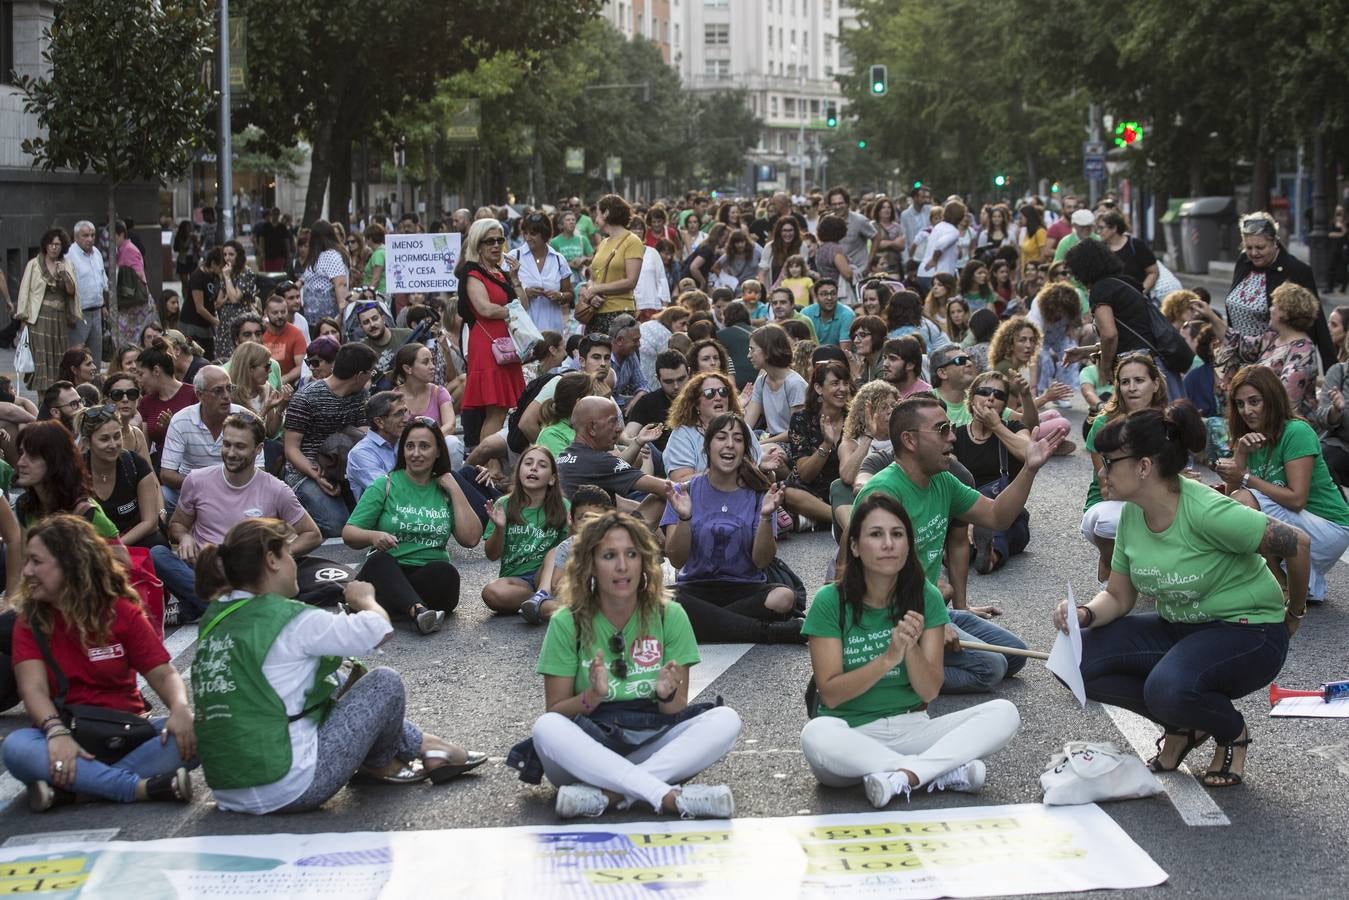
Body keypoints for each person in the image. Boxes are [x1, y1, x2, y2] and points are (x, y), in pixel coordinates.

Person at [1059, 403, 1307, 788]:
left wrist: (1295, 613)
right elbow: (1119, 596)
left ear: (1143, 466)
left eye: (1109, 461)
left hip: (1249, 632)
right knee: (1075, 660)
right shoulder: (1131, 512)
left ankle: (1230, 732)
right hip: (1182, 626)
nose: (1102, 471)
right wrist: (1084, 614)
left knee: (1167, 687)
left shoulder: (1207, 510)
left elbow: (1299, 543)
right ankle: (1184, 725)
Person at [191, 518, 485, 813]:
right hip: (287, 784)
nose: (295, 564)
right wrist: (366, 599)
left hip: (228, 789)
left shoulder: (215, 618)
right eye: (290, 555)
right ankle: (379, 763)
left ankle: (427, 745)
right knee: (384, 683)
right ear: (272, 560)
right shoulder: (289, 618)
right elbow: (377, 630)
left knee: (334, 677)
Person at [800, 492, 1019, 807]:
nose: (888, 543)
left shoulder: (926, 596)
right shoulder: (829, 601)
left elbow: (929, 690)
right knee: (815, 733)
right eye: (876, 534)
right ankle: (933, 772)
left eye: (897, 534)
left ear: (907, 545)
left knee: (1004, 712)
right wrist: (889, 657)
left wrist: (910, 650)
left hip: (913, 730)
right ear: (855, 547)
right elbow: (831, 694)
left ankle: (906, 776)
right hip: (849, 738)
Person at [528, 510, 742, 819]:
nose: (622, 566)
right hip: (587, 751)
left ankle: (610, 797)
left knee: (726, 720)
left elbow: (675, 709)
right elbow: (556, 711)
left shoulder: (670, 615)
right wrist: (593, 696)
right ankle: (667, 797)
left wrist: (667, 695)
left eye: (631, 554)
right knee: (545, 728)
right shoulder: (567, 621)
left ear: (644, 561)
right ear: (590, 565)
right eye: (609, 556)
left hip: (651, 738)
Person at [853, 397, 1060, 693]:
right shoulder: (882, 495)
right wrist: (929, 625)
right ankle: (883, 672)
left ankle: (936, 636)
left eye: (950, 427)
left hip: (925, 605)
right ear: (909, 440)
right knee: (991, 668)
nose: (952, 436)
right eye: (942, 429)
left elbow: (997, 516)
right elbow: (873, 582)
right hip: (887, 618)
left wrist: (1029, 468)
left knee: (1015, 657)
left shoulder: (942, 481)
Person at [3, 515, 196, 812]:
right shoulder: (30, 620)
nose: (26, 571)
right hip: (63, 734)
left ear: (70, 565)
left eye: (36, 561)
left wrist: (180, 708)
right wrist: (57, 733)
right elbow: (34, 691)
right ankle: (137, 787)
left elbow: (163, 674)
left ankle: (77, 790)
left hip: (128, 732)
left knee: (205, 728)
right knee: (17, 748)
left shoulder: (122, 612)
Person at [158, 412, 321, 621]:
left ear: (258, 449)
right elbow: (178, 525)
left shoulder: (276, 489)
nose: (231, 453)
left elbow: (312, 534)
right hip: (204, 571)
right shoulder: (196, 480)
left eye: (240, 446)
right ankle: (226, 606)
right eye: (227, 444)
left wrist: (275, 555)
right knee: (157, 554)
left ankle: (205, 606)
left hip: (247, 578)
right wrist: (185, 537)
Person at [1216, 366, 1349, 605]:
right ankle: (1287, 582)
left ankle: (1280, 585)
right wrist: (1241, 456)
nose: (1247, 410)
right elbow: (1230, 505)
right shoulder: (1248, 440)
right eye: (1240, 404)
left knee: (1247, 501)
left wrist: (1245, 477)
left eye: (1254, 401)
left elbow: (1296, 500)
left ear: (1272, 399)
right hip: (1299, 526)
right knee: (1237, 507)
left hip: (1330, 527)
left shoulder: (1296, 431)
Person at [662, 414, 800, 643]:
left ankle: (703, 625)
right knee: (659, 601)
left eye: (737, 439)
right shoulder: (683, 492)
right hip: (696, 589)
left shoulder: (759, 493)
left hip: (745, 587)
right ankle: (766, 632)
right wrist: (684, 518)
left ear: (745, 449)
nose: (729, 444)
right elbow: (676, 560)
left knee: (783, 597)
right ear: (707, 447)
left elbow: (762, 561)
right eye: (721, 437)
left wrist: (766, 516)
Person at [343, 418, 482, 633]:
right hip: (388, 572)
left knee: (447, 573)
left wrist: (454, 489)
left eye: (424, 446)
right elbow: (349, 533)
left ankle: (383, 605)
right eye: (410, 446)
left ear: (438, 452)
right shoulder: (385, 484)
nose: (416, 453)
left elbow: (471, 539)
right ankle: (418, 612)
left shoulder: (445, 487)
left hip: (428, 576)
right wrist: (373, 536)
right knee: (379, 561)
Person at [1080, 352, 1171, 581]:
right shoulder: (1104, 423)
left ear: (1155, 384)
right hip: (1111, 504)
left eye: (1139, 381)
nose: (1132, 388)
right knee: (1110, 522)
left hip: (1154, 499)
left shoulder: (1169, 422)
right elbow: (1107, 489)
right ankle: (1110, 559)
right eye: (1125, 382)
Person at [1065, 238, 1186, 400]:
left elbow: (1110, 335)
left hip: (1139, 367)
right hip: (1158, 362)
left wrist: (1105, 368)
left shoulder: (1100, 290)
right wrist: (1086, 351)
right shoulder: (1125, 282)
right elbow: (1131, 333)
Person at [284, 342, 376, 537]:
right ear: (359, 375)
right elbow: (291, 449)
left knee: (367, 521)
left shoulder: (361, 396)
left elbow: (364, 434)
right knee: (337, 526)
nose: (371, 377)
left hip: (345, 469)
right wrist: (317, 475)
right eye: (370, 372)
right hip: (306, 472)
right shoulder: (306, 398)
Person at [1225, 211, 1335, 372]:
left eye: (1260, 247)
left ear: (1274, 242)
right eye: (1249, 247)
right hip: (1238, 359)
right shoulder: (1244, 261)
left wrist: (1332, 374)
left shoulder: (1296, 270)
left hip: (1274, 364)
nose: (1254, 253)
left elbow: (1317, 324)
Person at [458, 218, 527, 445]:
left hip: (504, 345)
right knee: (496, 410)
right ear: (478, 244)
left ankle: (491, 463)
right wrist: (512, 311)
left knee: (503, 407)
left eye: (500, 240)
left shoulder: (500, 272)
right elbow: (485, 309)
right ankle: (486, 463)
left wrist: (515, 279)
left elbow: (524, 307)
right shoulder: (472, 272)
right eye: (490, 241)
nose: (496, 246)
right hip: (487, 345)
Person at [956, 372, 1033, 574]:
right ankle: (963, 547)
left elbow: (1029, 453)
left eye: (998, 395)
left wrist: (996, 426)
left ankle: (990, 555)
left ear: (1004, 405)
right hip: (966, 509)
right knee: (957, 525)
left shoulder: (1013, 427)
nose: (991, 398)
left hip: (1005, 510)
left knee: (1004, 527)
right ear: (972, 397)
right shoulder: (956, 435)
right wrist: (971, 519)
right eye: (984, 392)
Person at [482, 447, 571, 616]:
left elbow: (568, 550)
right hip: (517, 581)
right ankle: (540, 602)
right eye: (528, 463)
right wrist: (500, 528)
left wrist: (572, 529)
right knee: (491, 592)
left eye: (542, 465)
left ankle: (541, 599)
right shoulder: (504, 504)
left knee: (556, 551)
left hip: (547, 575)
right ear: (519, 472)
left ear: (552, 479)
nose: (534, 468)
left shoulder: (563, 506)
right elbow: (491, 555)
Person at [159, 365, 261, 498]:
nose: (226, 396)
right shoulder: (181, 420)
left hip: (236, 488)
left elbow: (259, 469)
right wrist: (205, 485)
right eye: (218, 391)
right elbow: (167, 474)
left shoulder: (245, 418)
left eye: (229, 388)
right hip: (192, 488)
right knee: (162, 495)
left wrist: (225, 487)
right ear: (199, 395)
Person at [81, 404, 164, 551]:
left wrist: (116, 547)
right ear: (87, 443)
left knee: (158, 548)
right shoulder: (75, 470)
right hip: (91, 546)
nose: (113, 445)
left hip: (135, 538)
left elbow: (150, 522)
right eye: (104, 439)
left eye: (117, 436)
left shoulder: (135, 464)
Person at [784, 360, 854, 527]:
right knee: (786, 491)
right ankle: (843, 520)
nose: (842, 389)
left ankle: (817, 520)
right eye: (835, 383)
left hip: (847, 491)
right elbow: (805, 475)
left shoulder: (855, 418)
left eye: (845, 383)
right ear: (818, 388)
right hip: (814, 494)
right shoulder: (802, 419)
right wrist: (827, 444)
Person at [15, 227, 79, 392]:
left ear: (62, 246)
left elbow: (72, 291)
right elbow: (25, 291)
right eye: (51, 244)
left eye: (57, 244)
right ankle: (43, 399)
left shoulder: (66, 264)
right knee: (42, 360)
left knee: (59, 359)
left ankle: (58, 395)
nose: (54, 247)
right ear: (45, 245)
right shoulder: (34, 265)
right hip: (39, 320)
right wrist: (23, 321)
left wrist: (64, 274)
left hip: (59, 320)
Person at [577, 195, 644, 335]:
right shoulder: (603, 243)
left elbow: (631, 281)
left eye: (597, 213)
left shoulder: (632, 241)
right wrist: (592, 293)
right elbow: (593, 277)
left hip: (620, 313)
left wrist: (597, 289)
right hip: (596, 312)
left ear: (606, 213)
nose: (595, 218)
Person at [506, 213, 573, 334]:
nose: (527, 238)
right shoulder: (514, 257)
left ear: (545, 234)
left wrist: (560, 296)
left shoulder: (559, 260)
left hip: (552, 329)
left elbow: (569, 294)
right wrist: (524, 292)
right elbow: (503, 293)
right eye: (525, 233)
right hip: (523, 330)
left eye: (533, 234)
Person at [136, 339, 196, 466]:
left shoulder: (193, 394)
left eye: (141, 374)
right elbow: (144, 449)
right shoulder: (146, 402)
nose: (138, 380)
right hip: (161, 468)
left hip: (191, 466)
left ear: (156, 371)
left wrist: (175, 425)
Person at [745, 323, 808, 443]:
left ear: (768, 350)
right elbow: (748, 423)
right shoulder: (761, 382)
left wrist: (759, 445)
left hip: (794, 446)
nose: (748, 355)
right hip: (771, 440)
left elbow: (796, 432)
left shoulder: (795, 384)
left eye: (752, 350)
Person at [345, 391, 408, 501]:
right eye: (398, 414)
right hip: (384, 514)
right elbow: (389, 492)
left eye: (405, 412)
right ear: (379, 422)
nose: (406, 419)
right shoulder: (361, 454)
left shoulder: (406, 442)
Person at [391, 342, 456, 444]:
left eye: (432, 361)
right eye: (425, 362)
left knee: (452, 442)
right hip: (404, 450)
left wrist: (426, 442)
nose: (432, 366)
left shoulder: (439, 392)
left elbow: (450, 425)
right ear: (408, 369)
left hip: (434, 447)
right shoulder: (393, 397)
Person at [65, 221, 109, 367]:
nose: (90, 239)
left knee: (95, 356)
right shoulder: (69, 255)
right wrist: (69, 312)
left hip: (96, 311)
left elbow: (102, 281)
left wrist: (103, 305)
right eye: (85, 235)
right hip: (78, 313)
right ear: (76, 237)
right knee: (77, 356)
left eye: (92, 235)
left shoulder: (96, 253)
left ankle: (94, 387)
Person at [213, 240, 258, 362]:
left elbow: (234, 299)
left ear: (238, 255)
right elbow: (218, 302)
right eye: (225, 254)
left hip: (240, 318)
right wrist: (226, 279)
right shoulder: (227, 272)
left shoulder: (246, 272)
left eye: (231, 254)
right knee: (224, 358)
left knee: (240, 355)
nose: (227, 258)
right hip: (225, 321)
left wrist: (227, 278)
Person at [299, 220, 350, 326]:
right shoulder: (317, 256)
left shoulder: (331, 255)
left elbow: (340, 283)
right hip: (314, 318)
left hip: (328, 318)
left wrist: (342, 311)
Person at [1095, 210, 1158, 296]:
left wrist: (1140, 293)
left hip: (1136, 302)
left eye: (1101, 228)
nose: (1098, 231)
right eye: (1097, 228)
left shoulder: (1136, 245)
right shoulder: (1099, 249)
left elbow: (1153, 272)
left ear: (1114, 228)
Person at [826, 187, 878, 280]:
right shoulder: (828, 222)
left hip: (858, 273)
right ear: (830, 206)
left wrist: (868, 263)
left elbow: (876, 237)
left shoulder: (859, 220)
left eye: (840, 203)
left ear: (847, 203)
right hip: (836, 275)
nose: (837, 207)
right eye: (834, 204)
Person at [101, 371, 152, 465]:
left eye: (132, 394)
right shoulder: (95, 432)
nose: (125, 399)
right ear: (106, 400)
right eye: (117, 395)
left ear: (138, 399)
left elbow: (150, 475)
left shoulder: (137, 434)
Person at [261, 293, 308, 387]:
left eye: (283, 312)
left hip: (287, 386)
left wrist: (282, 380)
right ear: (266, 313)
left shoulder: (296, 334)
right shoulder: (259, 332)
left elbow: (301, 367)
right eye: (275, 312)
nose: (280, 316)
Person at [607, 314, 649, 411]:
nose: (639, 344)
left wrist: (634, 403)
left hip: (619, 402)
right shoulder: (603, 357)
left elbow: (643, 385)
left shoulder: (631, 354)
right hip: (601, 406)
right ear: (620, 340)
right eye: (635, 340)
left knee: (648, 401)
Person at [802, 280, 856, 350]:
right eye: (824, 294)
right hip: (812, 357)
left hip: (839, 358)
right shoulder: (806, 313)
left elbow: (845, 351)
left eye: (833, 293)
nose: (829, 298)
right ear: (816, 296)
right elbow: (801, 346)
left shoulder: (847, 314)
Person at [848, 315, 888, 385]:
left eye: (863, 335)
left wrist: (856, 376)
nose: (856, 341)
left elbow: (874, 395)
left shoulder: (885, 365)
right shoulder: (866, 362)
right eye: (854, 336)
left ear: (877, 336)